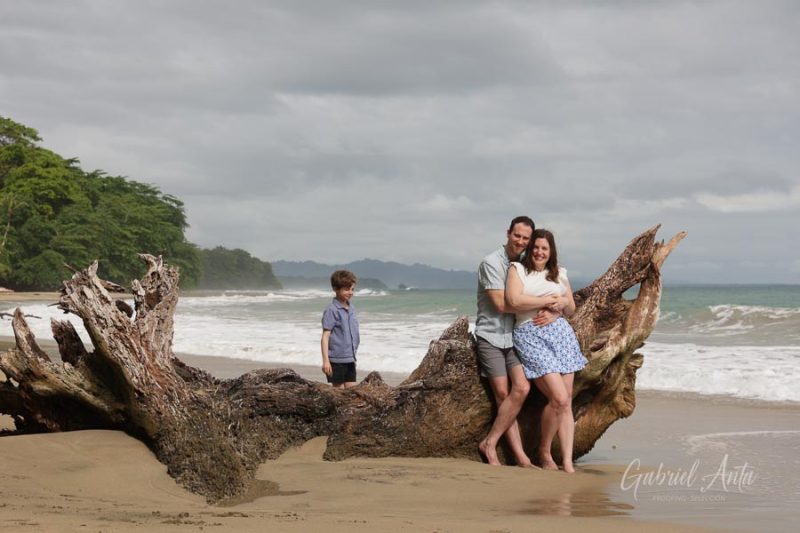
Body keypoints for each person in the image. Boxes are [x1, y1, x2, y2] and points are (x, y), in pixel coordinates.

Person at [476, 216, 559, 467]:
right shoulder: (491, 263)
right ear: (508, 233)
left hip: (513, 337)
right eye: (517, 236)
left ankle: (492, 442)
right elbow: (504, 304)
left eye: (525, 238)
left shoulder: (524, 265)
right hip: (490, 335)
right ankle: (514, 455)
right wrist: (545, 302)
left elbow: (541, 293)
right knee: (502, 392)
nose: (521, 241)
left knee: (521, 388)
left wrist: (556, 309)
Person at [505, 229, 587, 472]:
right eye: (536, 247)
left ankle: (568, 461)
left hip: (561, 336)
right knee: (559, 397)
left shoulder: (559, 273)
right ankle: (544, 450)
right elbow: (514, 301)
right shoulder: (518, 270)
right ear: (530, 250)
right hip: (530, 335)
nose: (540, 252)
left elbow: (571, 308)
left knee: (566, 401)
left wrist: (561, 304)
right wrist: (547, 302)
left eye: (545, 248)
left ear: (551, 252)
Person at [321, 270, 360, 389]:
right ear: (335, 289)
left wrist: (353, 357)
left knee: (351, 392)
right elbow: (325, 337)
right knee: (339, 394)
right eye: (347, 289)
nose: (350, 292)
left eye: (352, 289)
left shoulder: (352, 308)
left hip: (350, 359)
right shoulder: (332, 310)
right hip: (336, 360)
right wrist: (326, 361)